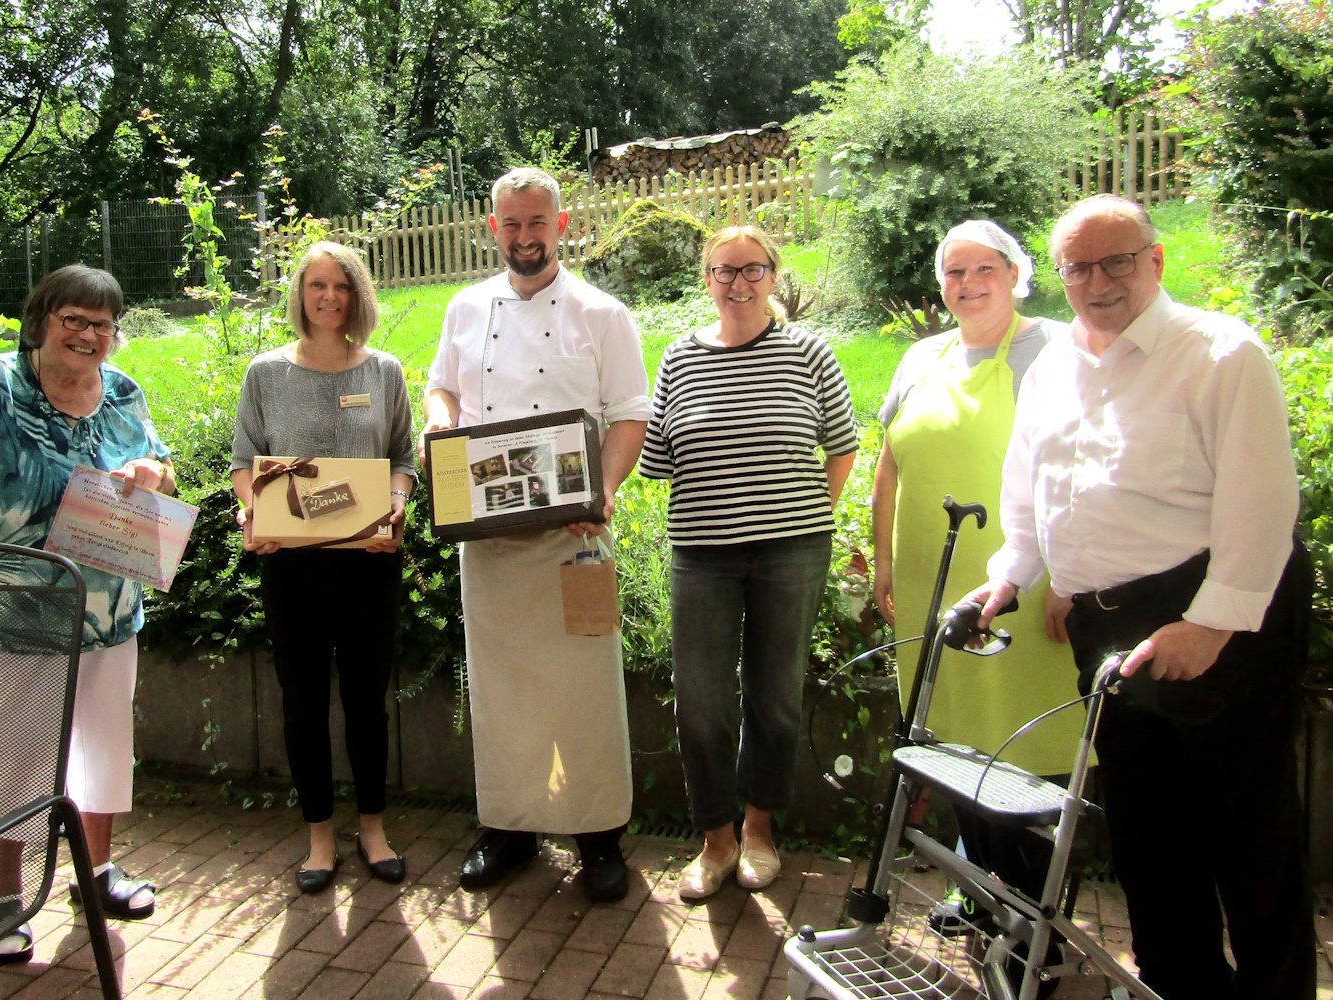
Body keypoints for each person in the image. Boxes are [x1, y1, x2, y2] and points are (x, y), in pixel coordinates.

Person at [964, 194, 1314, 999]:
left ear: (1155, 261)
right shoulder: (1054, 361)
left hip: (1214, 615)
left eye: (1117, 259)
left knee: (1249, 833)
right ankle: (1183, 986)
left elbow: (1264, 505)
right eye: (1078, 266)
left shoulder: (1222, 353)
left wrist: (1211, 624)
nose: (1098, 280)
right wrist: (1012, 572)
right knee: (1151, 838)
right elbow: (1031, 486)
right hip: (1106, 629)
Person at [0, 265, 174, 962]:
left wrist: (149, 474)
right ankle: (4, 900)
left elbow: (159, 469)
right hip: (16, 608)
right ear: (42, 319)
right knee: (22, 751)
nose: (87, 335)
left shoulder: (121, 390)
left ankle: (98, 874)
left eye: (101, 323)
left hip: (112, 602)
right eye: (73, 320)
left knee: (106, 742)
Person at [423, 166, 650, 902]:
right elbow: (442, 386)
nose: (525, 237)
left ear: (562, 224)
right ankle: (510, 831)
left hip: (575, 532)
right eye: (511, 224)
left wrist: (606, 491)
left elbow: (629, 415)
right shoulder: (463, 308)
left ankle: (599, 836)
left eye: (537, 223)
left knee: (586, 689)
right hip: (488, 535)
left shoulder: (602, 312)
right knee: (501, 689)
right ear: (494, 228)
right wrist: (440, 423)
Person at [871, 220, 1082, 932]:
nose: (968, 285)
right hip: (934, 587)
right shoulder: (919, 358)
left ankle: (1032, 929)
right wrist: (884, 561)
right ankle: (982, 895)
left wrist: (1071, 579)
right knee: (952, 736)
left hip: (1023, 588)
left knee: (1023, 749)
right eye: (953, 273)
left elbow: (1079, 470)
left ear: (1016, 273)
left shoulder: (1051, 349)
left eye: (983, 269)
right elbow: (889, 465)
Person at [639, 225, 858, 899]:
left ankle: (760, 830)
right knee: (701, 704)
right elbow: (659, 461)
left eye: (753, 270)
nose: (738, 283)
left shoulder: (809, 353)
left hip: (792, 551)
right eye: (724, 271)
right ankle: (715, 840)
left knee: (775, 696)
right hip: (702, 554)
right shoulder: (678, 359)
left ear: (773, 276)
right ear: (706, 280)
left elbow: (842, 446)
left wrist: (800, 516)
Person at [230, 241, 417, 891]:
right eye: (316, 285)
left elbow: (403, 459)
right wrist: (251, 514)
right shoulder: (265, 373)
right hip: (292, 566)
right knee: (302, 703)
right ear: (299, 294)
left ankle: (372, 828)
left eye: (340, 285)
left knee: (368, 701)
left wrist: (395, 508)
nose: (329, 297)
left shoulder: (384, 371)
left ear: (357, 293)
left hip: (369, 563)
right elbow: (243, 463)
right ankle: (317, 838)